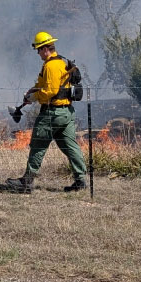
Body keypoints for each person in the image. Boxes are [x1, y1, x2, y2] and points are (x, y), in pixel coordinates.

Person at [6, 31, 88, 194]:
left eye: (38, 50)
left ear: (45, 49)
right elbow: (44, 83)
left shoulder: (50, 65)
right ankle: (80, 180)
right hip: (66, 114)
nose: (38, 54)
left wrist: (34, 97)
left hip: (51, 114)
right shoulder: (62, 62)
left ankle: (26, 182)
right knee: (70, 146)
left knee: (38, 144)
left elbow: (50, 90)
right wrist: (33, 89)